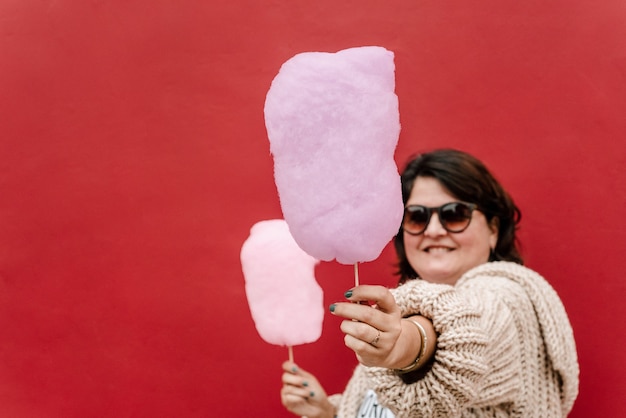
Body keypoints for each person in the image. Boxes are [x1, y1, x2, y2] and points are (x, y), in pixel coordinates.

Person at [280, 148, 579, 417]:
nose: (433, 230)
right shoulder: (397, 318)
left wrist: (410, 344)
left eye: (454, 214)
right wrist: (329, 413)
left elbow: (466, 330)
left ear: (492, 228)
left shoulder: (510, 299)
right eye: (416, 217)